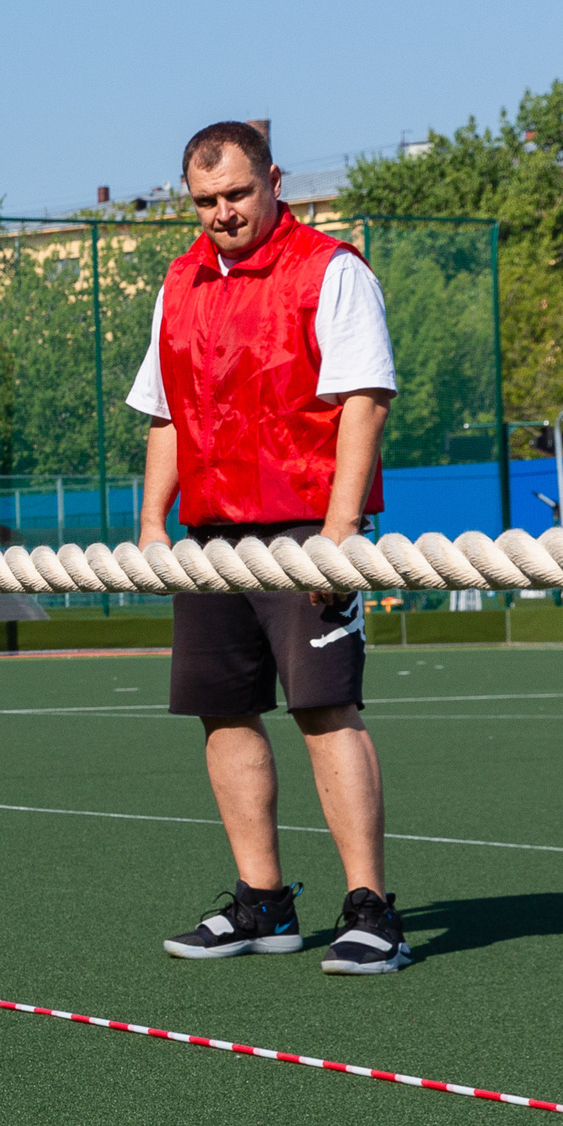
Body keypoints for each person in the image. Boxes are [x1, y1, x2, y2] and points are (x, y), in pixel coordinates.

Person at [130, 120, 409, 976]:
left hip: (306, 528)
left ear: (274, 181)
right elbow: (167, 413)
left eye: (237, 193)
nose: (222, 212)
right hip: (211, 536)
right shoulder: (179, 282)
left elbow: (365, 399)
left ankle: (371, 911)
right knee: (223, 711)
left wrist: (340, 532)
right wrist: (151, 527)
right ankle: (263, 903)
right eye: (205, 201)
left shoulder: (331, 271)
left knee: (325, 708)